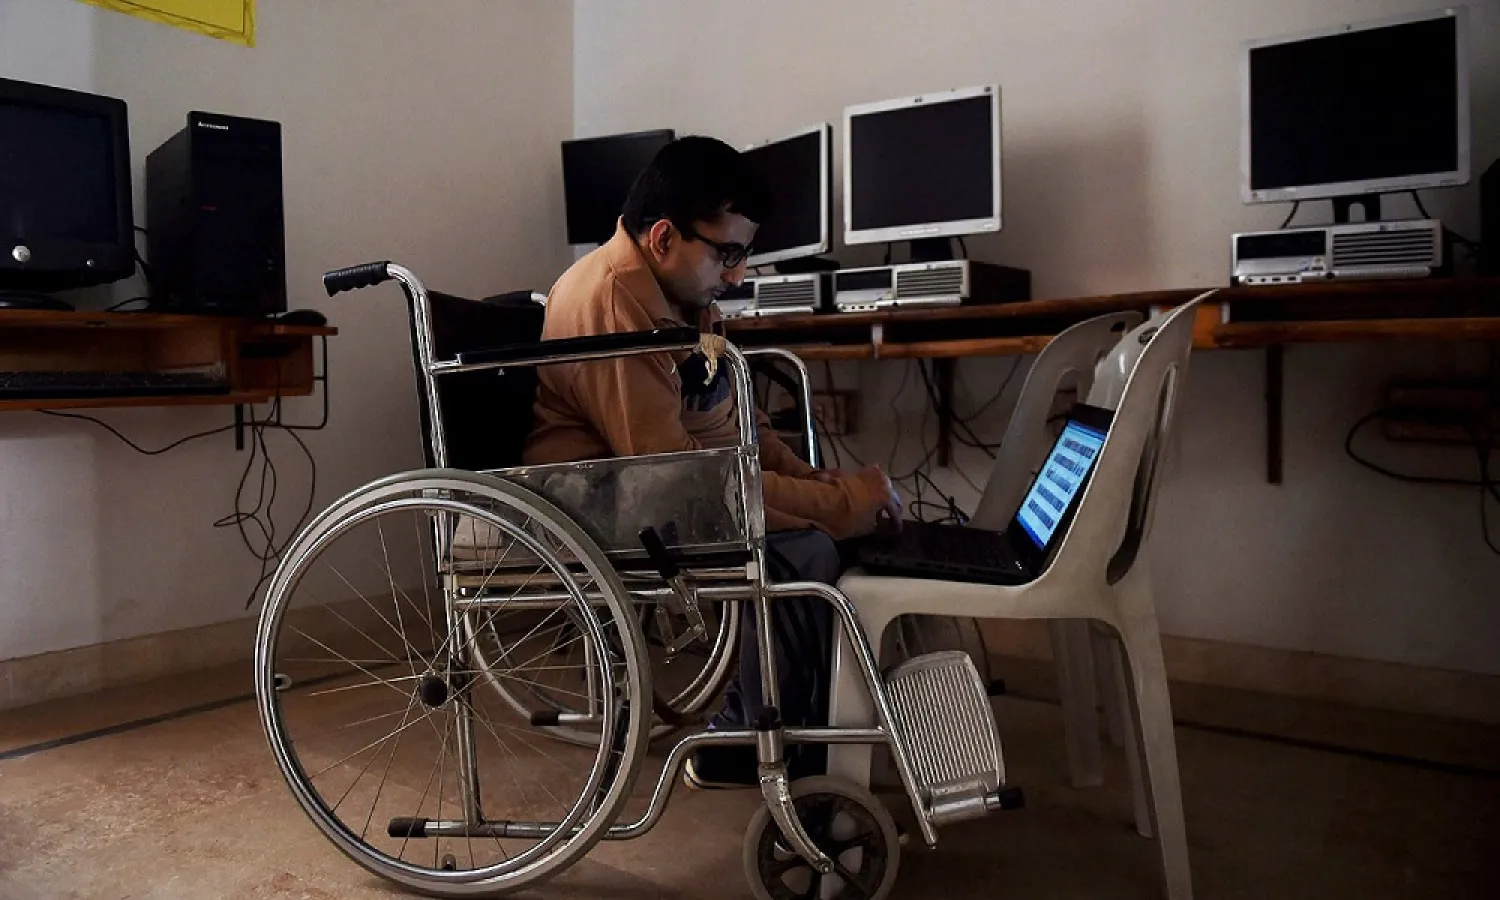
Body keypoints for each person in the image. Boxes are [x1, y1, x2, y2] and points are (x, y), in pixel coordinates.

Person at [523, 135, 901, 788]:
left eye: (743, 256)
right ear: (665, 238)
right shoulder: (612, 302)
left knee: (830, 534)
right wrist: (842, 504)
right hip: (612, 500)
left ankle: (794, 727)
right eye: (727, 254)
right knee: (807, 553)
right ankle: (760, 735)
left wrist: (821, 480)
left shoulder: (684, 300)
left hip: (673, 483)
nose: (738, 276)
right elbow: (671, 474)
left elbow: (736, 424)